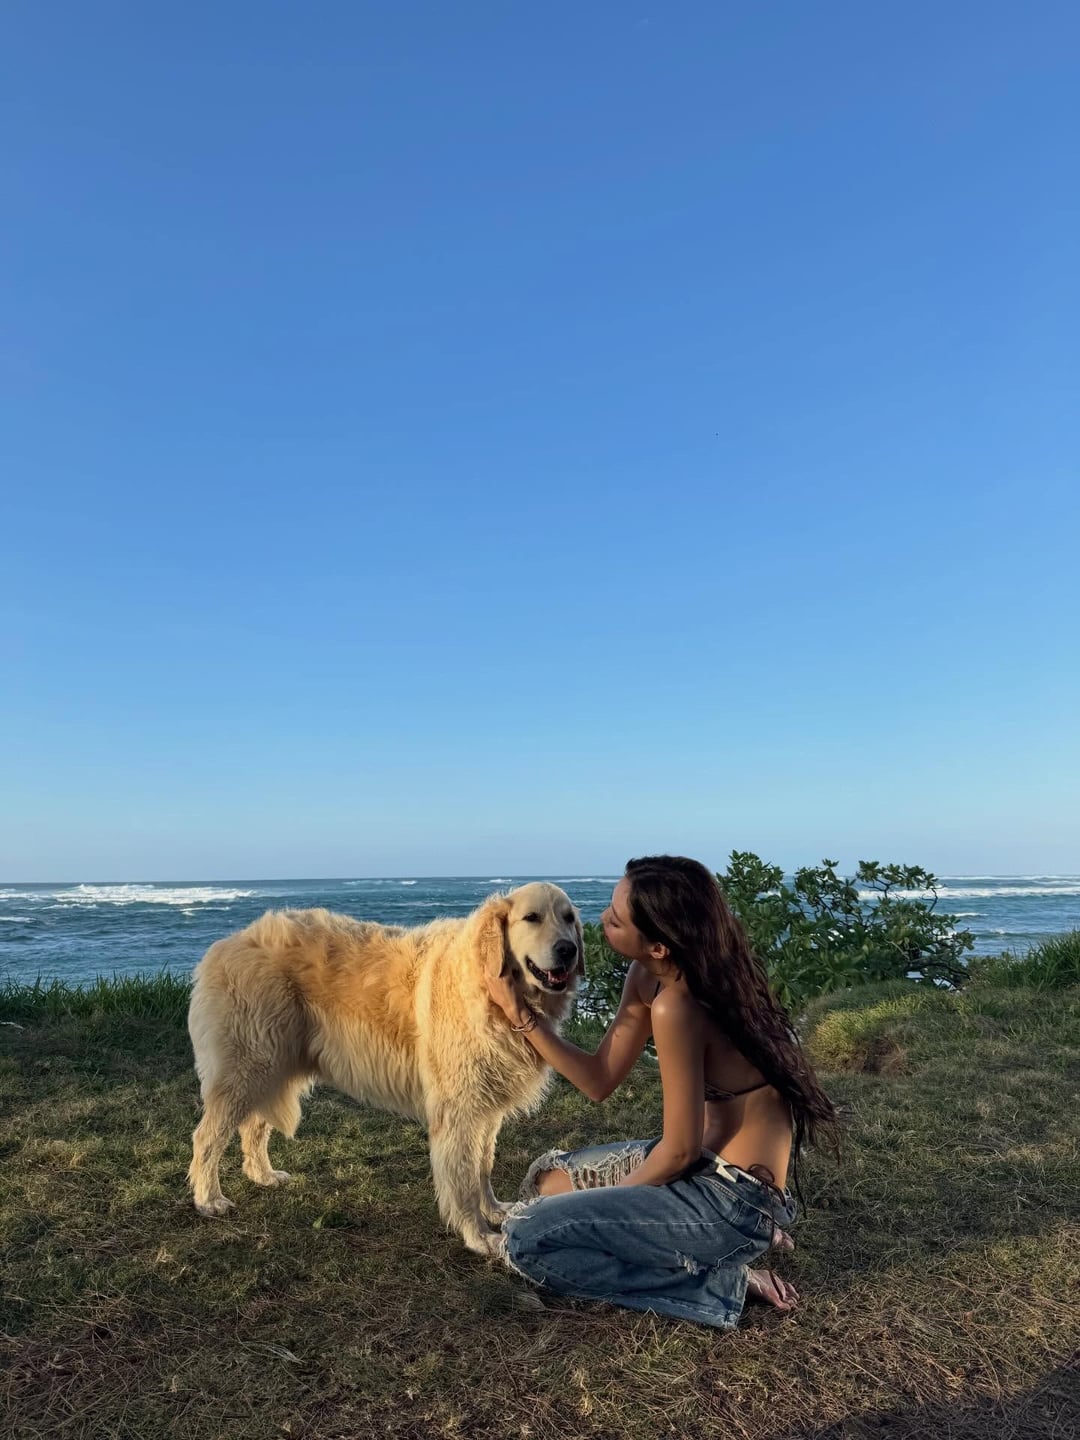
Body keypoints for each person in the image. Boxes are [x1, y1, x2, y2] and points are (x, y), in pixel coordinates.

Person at [484, 855, 839, 1329]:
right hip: (700, 1166)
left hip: (732, 1198)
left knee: (526, 1237)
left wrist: (610, 1204)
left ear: (657, 945)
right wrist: (522, 1016)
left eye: (616, 919)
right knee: (546, 1181)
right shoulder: (649, 975)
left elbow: (678, 1151)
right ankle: (705, 1243)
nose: (600, 921)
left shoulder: (679, 1005)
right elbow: (598, 1079)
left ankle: (722, 1282)